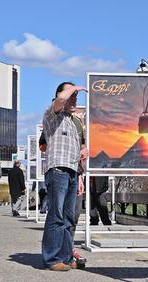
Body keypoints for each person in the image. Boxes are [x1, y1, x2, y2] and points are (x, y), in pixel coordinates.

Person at [41, 82, 87, 271]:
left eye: (76, 96)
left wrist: (80, 176)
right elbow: (61, 99)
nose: (75, 98)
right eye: (72, 95)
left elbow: (78, 151)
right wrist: (74, 88)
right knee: (56, 215)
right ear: (60, 94)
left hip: (72, 172)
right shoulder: (52, 114)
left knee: (69, 218)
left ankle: (66, 257)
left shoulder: (73, 120)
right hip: (58, 170)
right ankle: (52, 259)